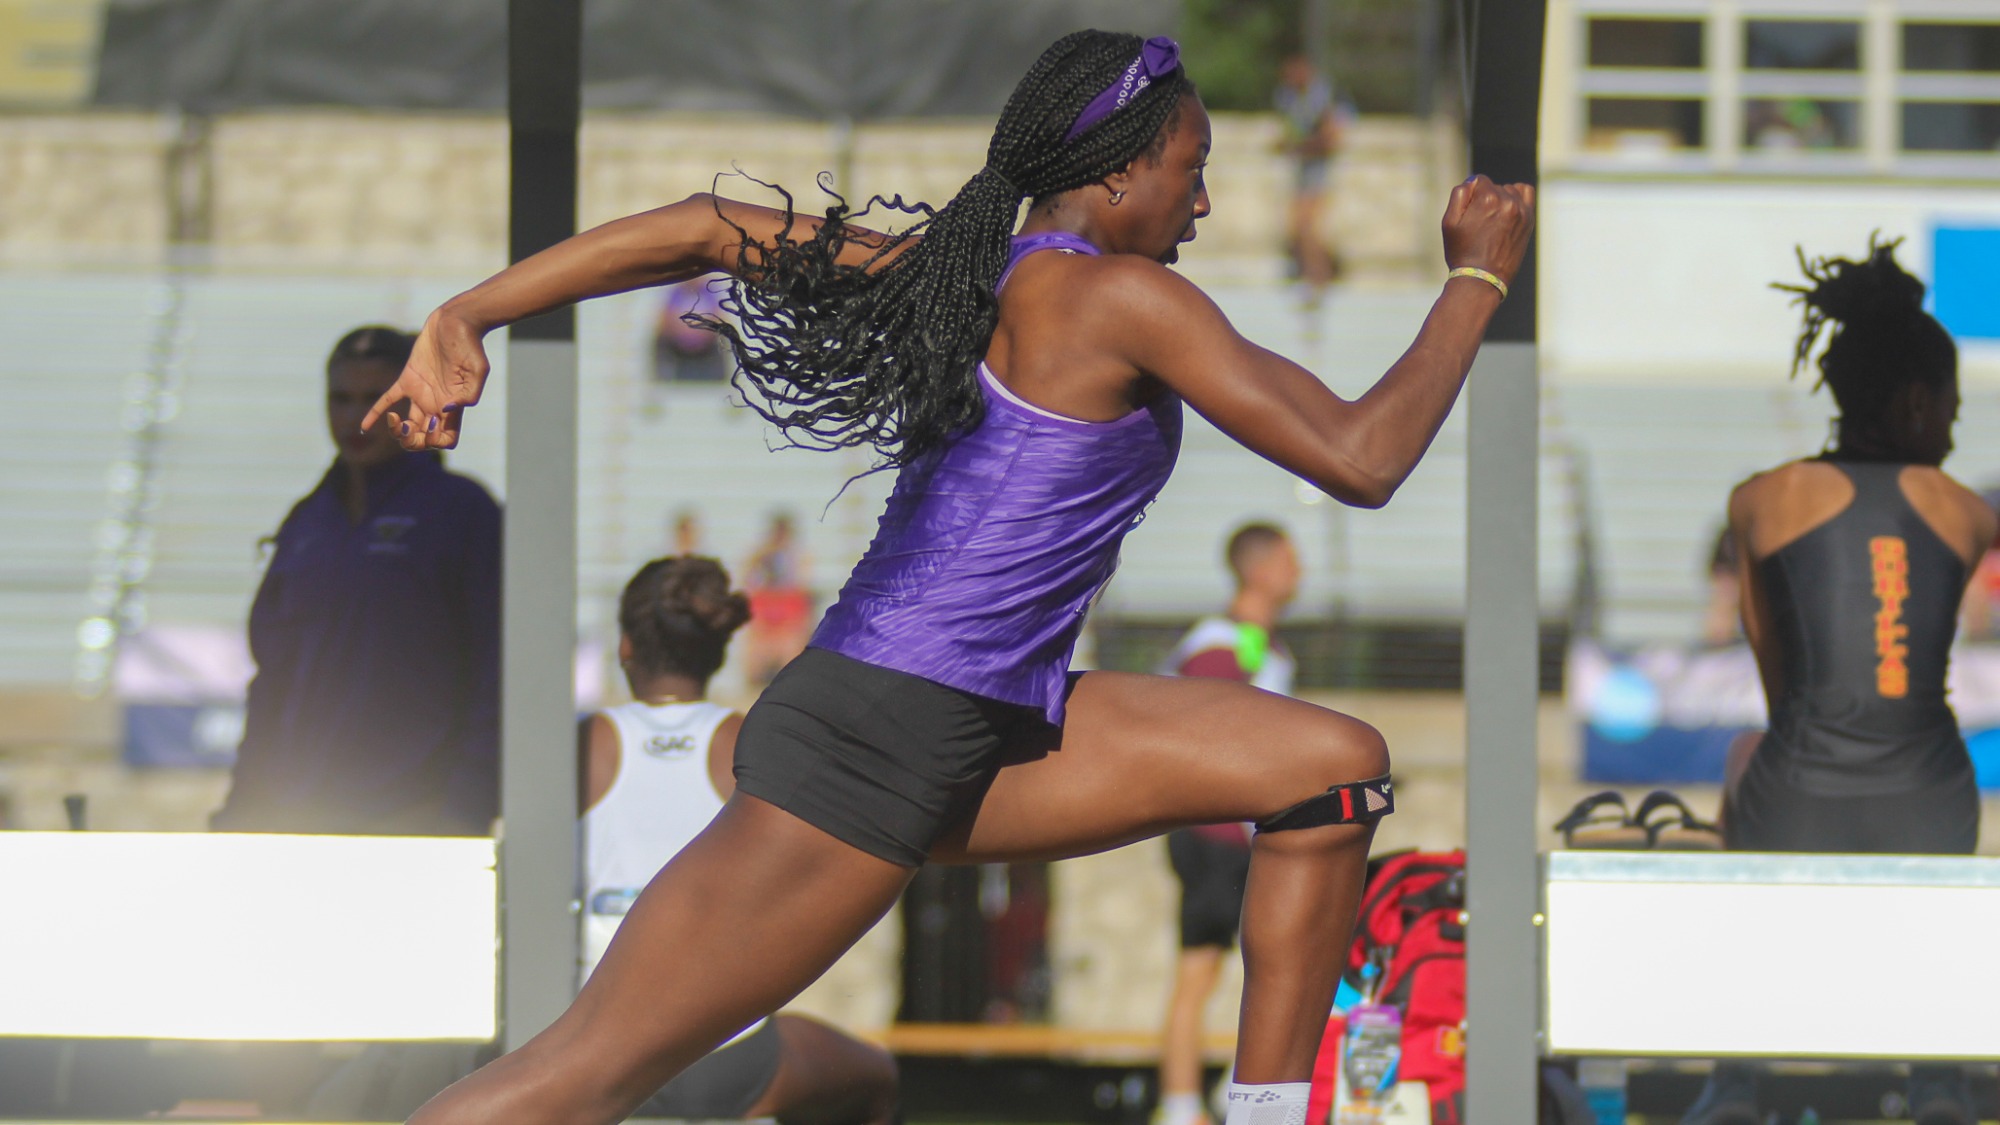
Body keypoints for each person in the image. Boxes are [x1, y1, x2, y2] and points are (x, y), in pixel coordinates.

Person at [364, 30, 1532, 1125]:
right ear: (1120, 174)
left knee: (1328, 772)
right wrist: (1472, 283)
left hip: (985, 723)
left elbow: (706, 228)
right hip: (874, 742)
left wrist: (475, 310)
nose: (1205, 200)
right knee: (574, 1084)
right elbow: (1359, 456)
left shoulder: (962, 275)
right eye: (1193, 166)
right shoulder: (1119, 297)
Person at [1685, 238, 1991, 1125]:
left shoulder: (1759, 500)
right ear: (1915, 400)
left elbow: (1770, 657)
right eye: (1953, 409)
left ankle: (1734, 1078)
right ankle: (1939, 1082)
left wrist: (1812, 761)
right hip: (1932, 808)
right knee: (1935, 759)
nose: (1955, 430)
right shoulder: (1966, 512)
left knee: (1750, 748)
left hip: (1799, 800)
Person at [581, 555, 898, 1125]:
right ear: (719, 649)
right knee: (879, 1075)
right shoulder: (751, 742)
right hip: (725, 1058)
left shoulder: (584, 746)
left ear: (626, 646)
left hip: (599, 1049)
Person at [213, 326, 499, 836]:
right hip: (298, 812)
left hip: (417, 813)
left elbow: (495, 670)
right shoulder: (305, 523)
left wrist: (465, 807)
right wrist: (244, 803)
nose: (355, 418)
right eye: (341, 399)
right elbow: (273, 678)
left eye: (376, 399)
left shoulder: (462, 512)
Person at [1155, 523, 1302, 1125]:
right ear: (1262, 570)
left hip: (1236, 837)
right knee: (1212, 971)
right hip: (1217, 835)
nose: (1300, 573)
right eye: (1292, 561)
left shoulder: (1261, 645)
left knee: (1253, 970)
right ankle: (1185, 1104)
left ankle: (1213, 1100)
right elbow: (1208, 735)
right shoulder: (1223, 643)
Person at [1273, 54, 1347, 303]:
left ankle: (1318, 280)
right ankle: (1311, 279)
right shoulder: (1290, 97)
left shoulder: (1323, 96)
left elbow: (1331, 138)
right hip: (1304, 173)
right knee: (1299, 228)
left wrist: (1298, 147)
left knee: (1306, 227)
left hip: (1320, 173)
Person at [741, 511, 814, 687]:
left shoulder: (798, 559)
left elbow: (803, 593)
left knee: (791, 645)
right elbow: (747, 579)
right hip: (767, 609)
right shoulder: (760, 557)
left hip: (787, 610)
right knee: (755, 650)